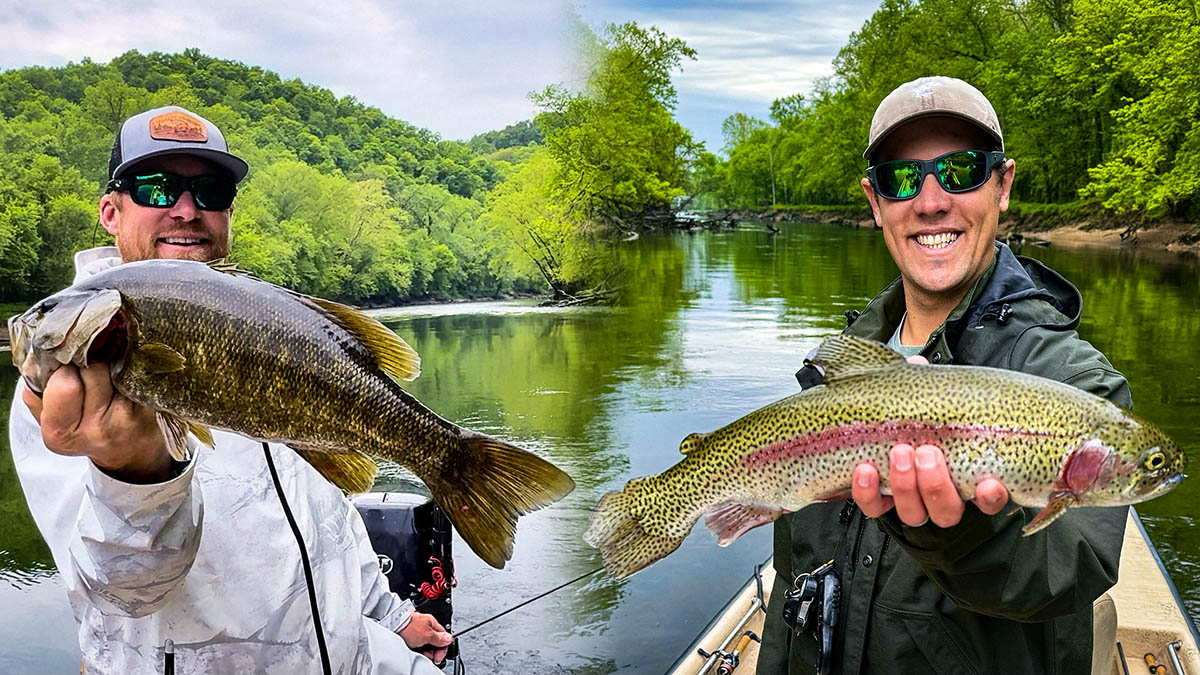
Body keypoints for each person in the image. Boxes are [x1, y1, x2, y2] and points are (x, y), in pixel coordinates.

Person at [9, 106, 453, 674]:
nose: (187, 209)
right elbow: (122, 593)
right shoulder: (64, 391)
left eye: (210, 190)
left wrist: (390, 616)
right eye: (156, 186)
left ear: (228, 213)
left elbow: (325, 519)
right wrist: (134, 475)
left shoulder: (257, 319)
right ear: (111, 212)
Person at [757, 77, 1132, 674]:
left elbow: (1067, 572)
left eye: (960, 171)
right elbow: (789, 591)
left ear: (1002, 186)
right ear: (875, 202)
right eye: (902, 179)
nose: (930, 201)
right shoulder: (839, 369)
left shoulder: (1074, 384)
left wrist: (957, 533)